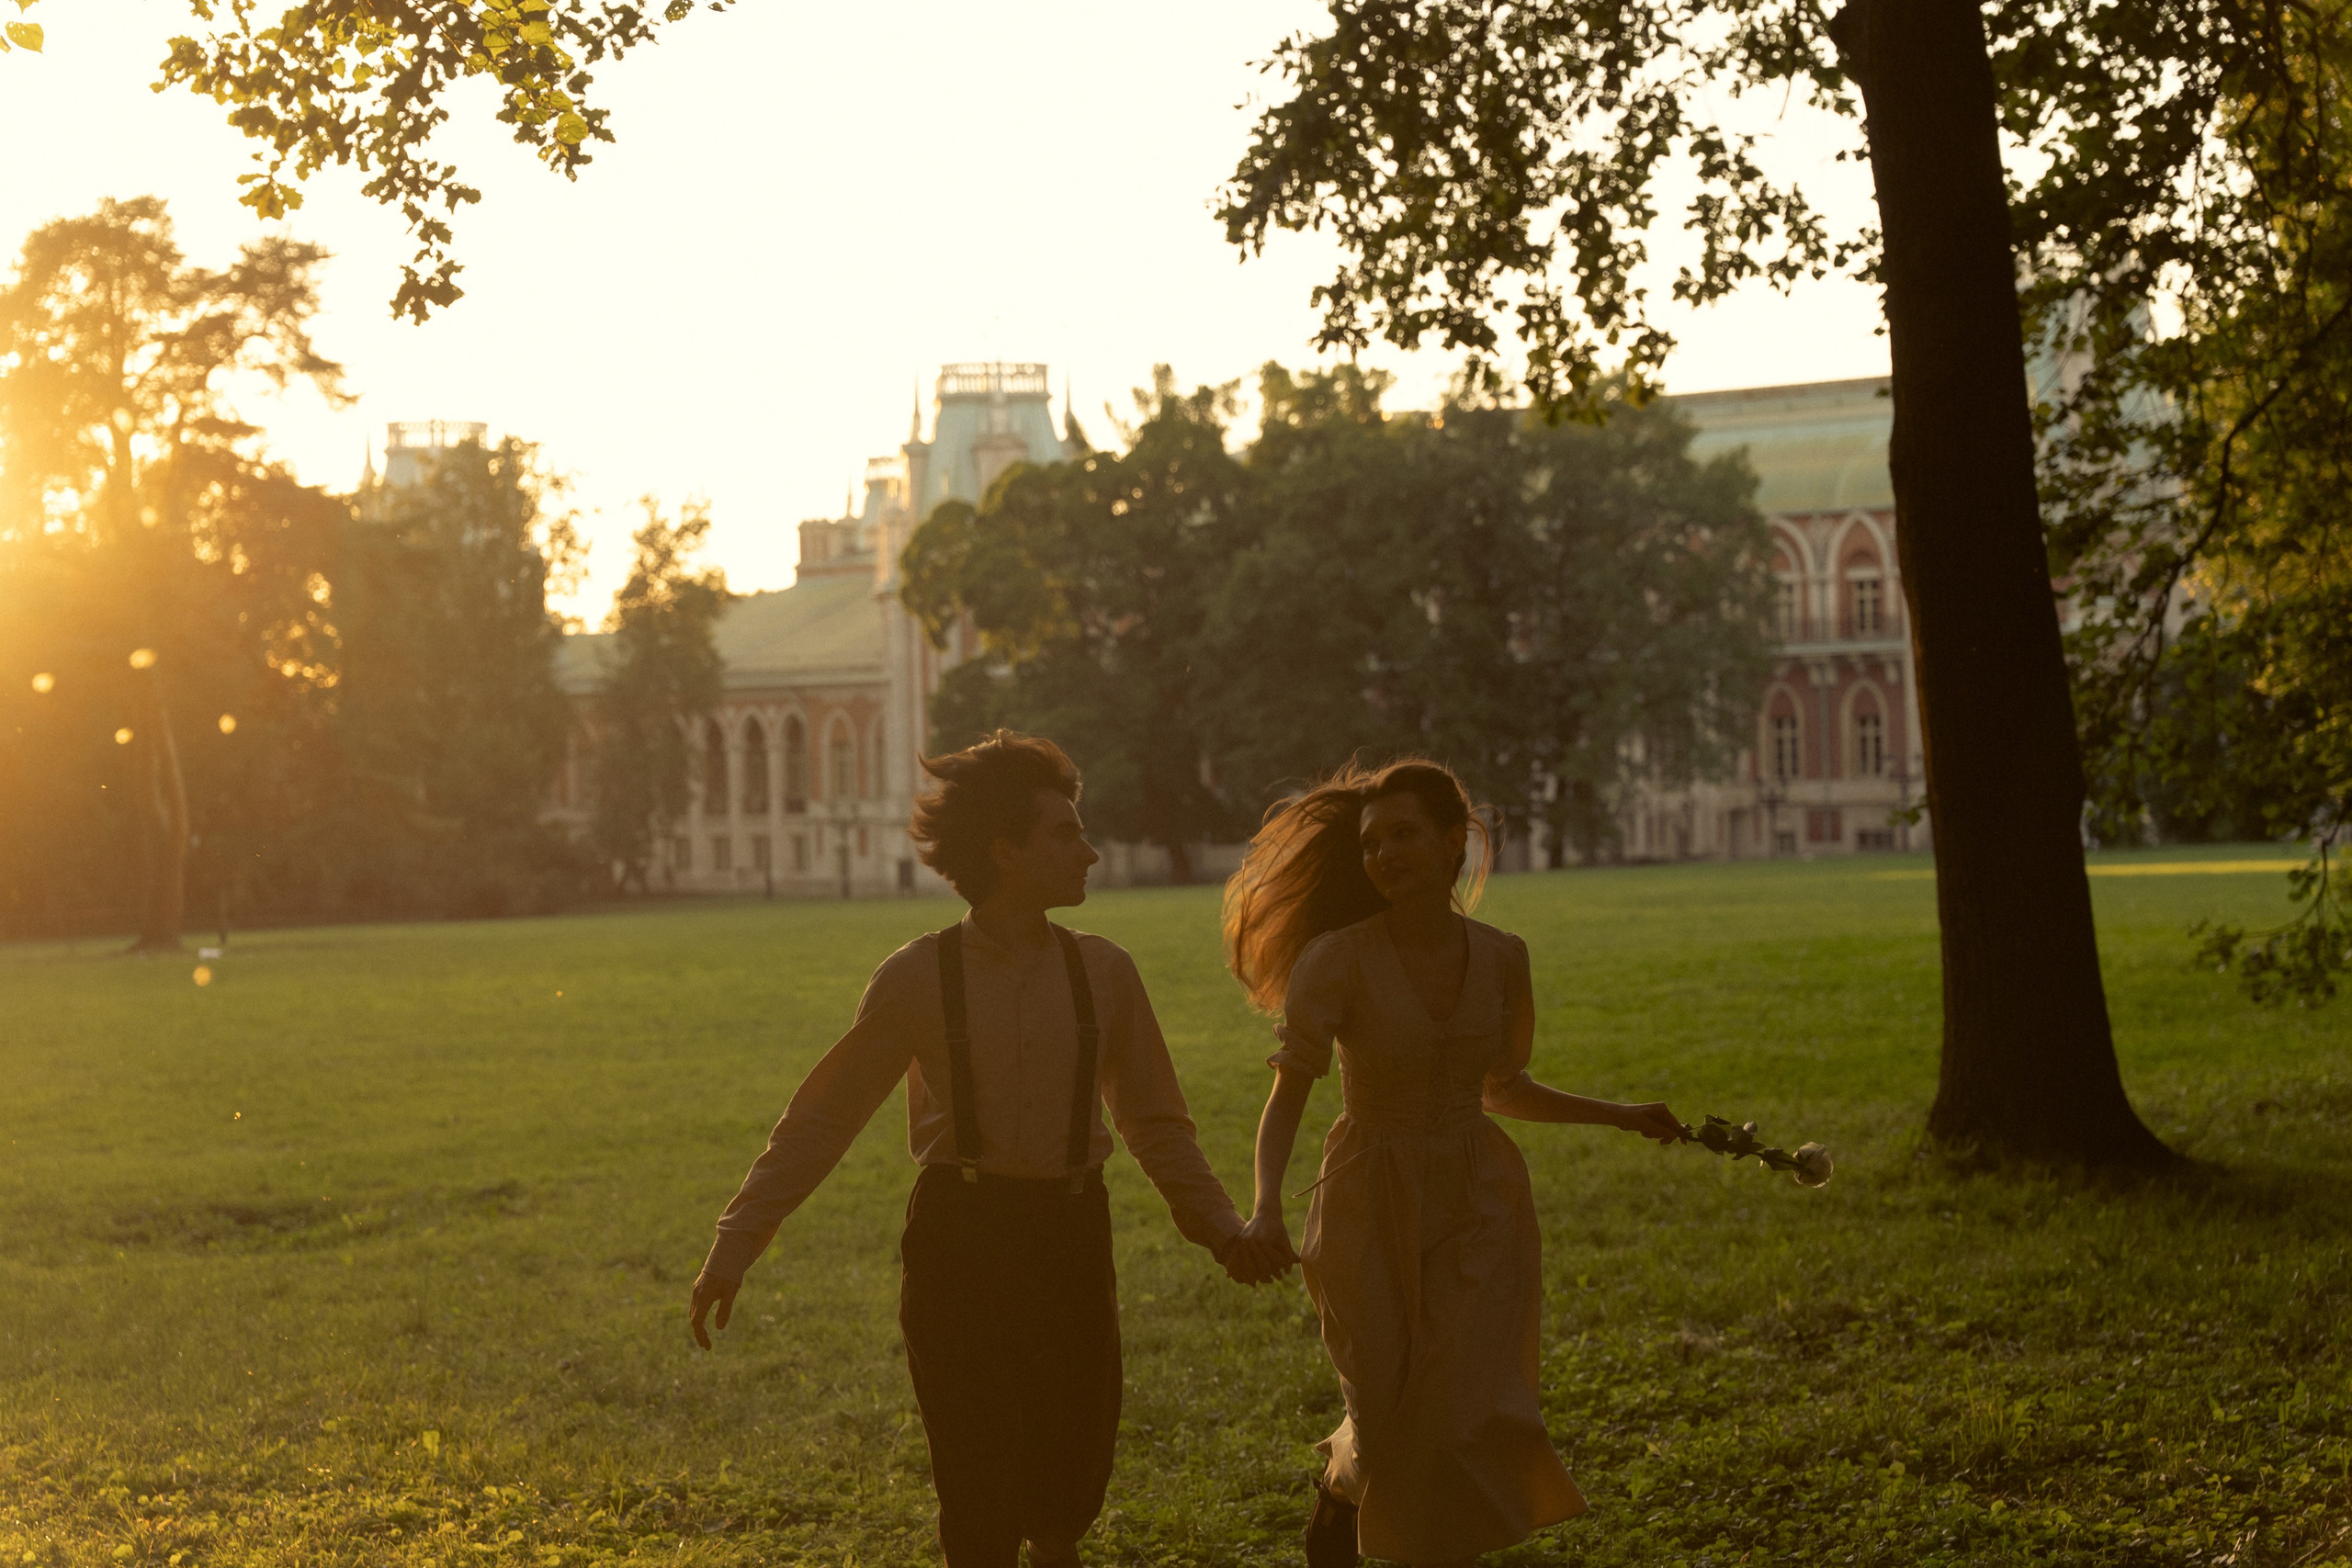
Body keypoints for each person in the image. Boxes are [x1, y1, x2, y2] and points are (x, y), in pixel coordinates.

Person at [688, 731, 1289, 1568]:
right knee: (977, 1482)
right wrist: (735, 1242)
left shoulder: (1105, 973)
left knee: (1068, 1475)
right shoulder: (916, 976)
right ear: (1007, 852)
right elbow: (821, 1120)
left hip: (1070, 1233)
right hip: (960, 1237)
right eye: (1065, 834)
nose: (1089, 851)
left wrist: (1221, 1229)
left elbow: (1156, 1124)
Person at [1222, 758, 1688, 1568]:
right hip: (1368, 1196)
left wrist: (1621, 1114)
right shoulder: (1337, 959)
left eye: (1403, 834)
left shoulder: (1504, 956)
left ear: (1452, 842)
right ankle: (1343, 1488)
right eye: (1371, 843)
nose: (1383, 855)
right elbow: (1288, 1095)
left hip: (1479, 1197)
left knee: (1456, 1414)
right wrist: (1265, 1207)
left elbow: (1503, 1086)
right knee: (1385, 1413)